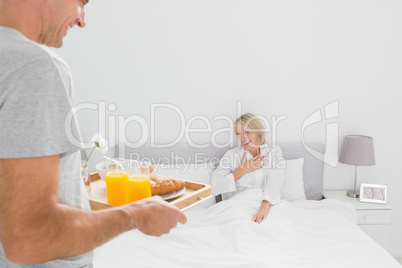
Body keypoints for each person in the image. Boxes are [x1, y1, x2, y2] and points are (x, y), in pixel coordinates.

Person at [0, 0, 186, 267]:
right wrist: (134, 215)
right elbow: (28, 238)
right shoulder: (33, 67)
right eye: (81, 2)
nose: (82, 20)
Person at [211, 113, 285, 224]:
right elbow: (214, 188)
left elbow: (274, 181)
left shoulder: (273, 152)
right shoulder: (232, 155)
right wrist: (242, 170)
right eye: (238, 133)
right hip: (238, 206)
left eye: (247, 132)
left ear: (257, 131)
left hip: (267, 205)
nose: (243, 138)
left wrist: (264, 207)